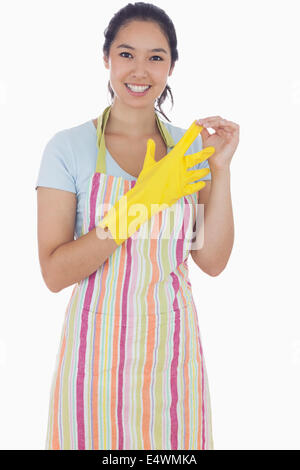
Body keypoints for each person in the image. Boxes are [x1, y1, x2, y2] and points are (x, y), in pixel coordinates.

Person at [35, 2, 238, 451]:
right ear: (106, 58)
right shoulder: (68, 148)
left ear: (171, 65)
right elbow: (54, 273)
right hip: (93, 360)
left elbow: (212, 261)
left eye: (156, 56)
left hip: (172, 360)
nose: (139, 70)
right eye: (126, 54)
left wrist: (219, 169)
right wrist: (137, 206)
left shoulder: (188, 151)